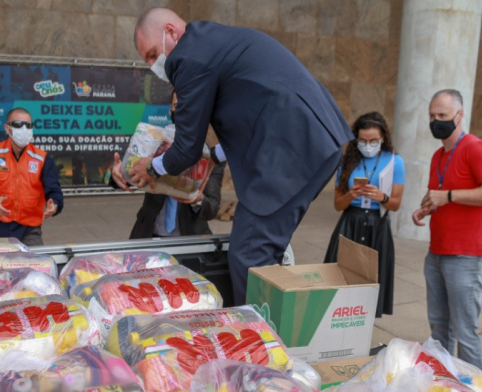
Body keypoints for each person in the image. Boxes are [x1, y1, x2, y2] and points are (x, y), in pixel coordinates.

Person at [122, 7, 353, 305]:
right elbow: (240, 118)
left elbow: (187, 148)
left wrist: (151, 167)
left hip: (292, 148)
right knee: (261, 252)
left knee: (250, 251)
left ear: (170, 31)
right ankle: (274, 328)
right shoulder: (212, 42)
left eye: (153, 54)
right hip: (312, 139)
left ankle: (258, 341)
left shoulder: (188, 57)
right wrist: (213, 159)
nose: (155, 65)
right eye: (148, 60)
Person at [411, 89, 482, 370]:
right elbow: (440, 194)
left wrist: (449, 195)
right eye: (432, 116)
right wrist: (426, 208)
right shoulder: (439, 155)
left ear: (459, 116)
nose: (436, 121)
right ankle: (449, 387)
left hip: (467, 256)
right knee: (440, 330)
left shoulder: (477, 148)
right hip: (438, 252)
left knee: (465, 332)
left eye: (442, 115)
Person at [109, 91, 223, 239]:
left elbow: (212, 208)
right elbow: (131, 175)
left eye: (187, 106)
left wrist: (198, 199)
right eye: (177, 105)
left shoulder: (209, 158)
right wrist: (119, 174)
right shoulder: (153, 143)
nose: (182, 110)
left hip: (188, 242)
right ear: (170, 111)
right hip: (148, 237)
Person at [325, 112, 405, 317]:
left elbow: (395, 204)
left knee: (372, 281)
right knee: (340, 277)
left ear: (383, 138)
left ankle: (364, 322)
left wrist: (382, 197)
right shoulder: (347, 162)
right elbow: (337, 204)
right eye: (362, 140)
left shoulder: (394, 162)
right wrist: (351, 195)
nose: (368, 145)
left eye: (373, 141)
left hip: (377, 225)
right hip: (350, 221)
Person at [0, 107, 63, 246]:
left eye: (28, 125)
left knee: (37, 266)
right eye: (18, 124)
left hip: (29, 230)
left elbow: (54, 190)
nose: (24, 129)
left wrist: (55, 205)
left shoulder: (42, 159)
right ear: (7, 128)